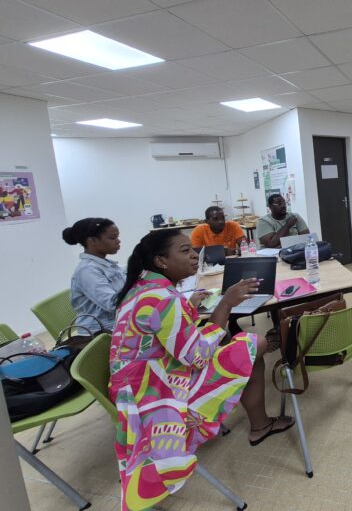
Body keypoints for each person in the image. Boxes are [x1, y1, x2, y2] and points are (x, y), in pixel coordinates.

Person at [109, 229, 292, 511]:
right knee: (253, 343)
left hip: (135, 384)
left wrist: (188, 305)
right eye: (185, 251)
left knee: (236, 343)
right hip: (155, 394)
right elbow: (197, 357)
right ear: (160, 261)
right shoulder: (164, 299)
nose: (195, 256)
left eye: (193, 250)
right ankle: (260, 422)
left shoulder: (142, 288)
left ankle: (260, 422)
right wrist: (226, 303)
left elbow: (167, 334)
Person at [62, 217, 126, 332]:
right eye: (112, 238)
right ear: (92, 241)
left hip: (116, 322)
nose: (118, 241)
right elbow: (113, 304)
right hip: (100, 330)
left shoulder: (106, 264)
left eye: (117, 237)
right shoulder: (87, 271)